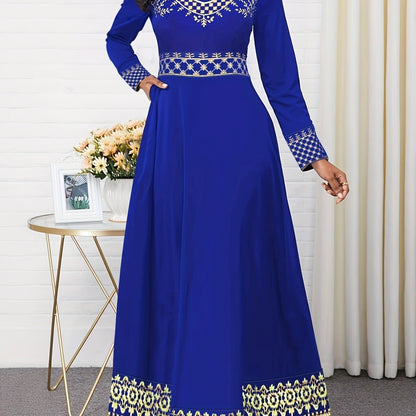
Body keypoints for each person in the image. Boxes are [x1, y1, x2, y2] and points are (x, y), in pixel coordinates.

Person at [105, 0, 348, 415]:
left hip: (241, 142)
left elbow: (281, 79)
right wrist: (140, 79)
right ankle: (181, 391)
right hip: (175, 139)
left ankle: (244, 392)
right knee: (177, 261)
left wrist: (315, 157)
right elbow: (117, 39)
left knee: (235, 264)